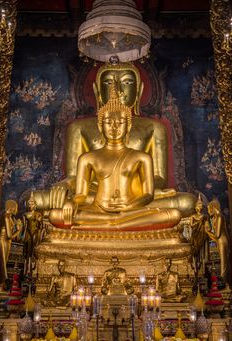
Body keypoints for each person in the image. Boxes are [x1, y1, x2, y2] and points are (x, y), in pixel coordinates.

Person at [33, 60, 196, 218]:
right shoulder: (79, 128)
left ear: (139, 90)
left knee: (187, 202)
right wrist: (65, 185)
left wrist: (133, 195)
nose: (117, 90)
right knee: (36, 201)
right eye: (109, 83)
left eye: (127, 82)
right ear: (97, 91)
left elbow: (159, 178)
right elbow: (75, 177)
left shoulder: (154, 127)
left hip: (135, 197)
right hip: (92, 198)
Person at [49, 81, 182, 230]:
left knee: (174, 214)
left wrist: (129, 206)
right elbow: (81, 195)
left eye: (120, 122)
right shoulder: (87, 158)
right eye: (108, 122)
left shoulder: (142, 157)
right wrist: (72, 202)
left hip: (131, 210)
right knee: (55, 215)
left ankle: (109, 225)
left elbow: (148, 195)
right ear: (100, 125)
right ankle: (117, 225)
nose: (114, 127)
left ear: (128, 126)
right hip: (97, 210)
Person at [0, 200, 23, 290]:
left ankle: (2, 286)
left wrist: (17, 227)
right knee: (2, 264)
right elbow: (9, 235)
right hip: (3, 241)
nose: (17, 209)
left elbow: (13, 236)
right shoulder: (6, 217)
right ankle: (1, 285)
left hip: (7, 242)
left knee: (3, 262)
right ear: (12, 207)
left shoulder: (11, 218)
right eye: (16, 207)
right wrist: (18, 230)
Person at [204, 199, 230, 284]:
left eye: (209, 209)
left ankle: (225, 283)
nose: (208, 211)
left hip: (222, 241)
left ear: (213, 208)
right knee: (222, 262)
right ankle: (223, 282)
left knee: (224, 264)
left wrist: (208, 232)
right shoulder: (215, 217)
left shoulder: (219, 217)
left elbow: (217, 235)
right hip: (219, 241)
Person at [21, 192, 43, 275]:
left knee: (32, 251)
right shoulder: (25, 215)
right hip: (27, 234)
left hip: (35, 233)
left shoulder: (38, 214)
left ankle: (32, 269)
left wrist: (39, 221)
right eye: (29, 203)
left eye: (32, 203)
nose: (30, 205)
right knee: (27, 252)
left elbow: (40, 226)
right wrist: (22, 236)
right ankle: (26, 270)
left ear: (35, 205)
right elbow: (24, 226)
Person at [189, 193, 207, 274]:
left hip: (202, 234)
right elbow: (192, 226)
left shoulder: (204, 216)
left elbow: (207, 226)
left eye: (201, 206)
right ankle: (194, 265)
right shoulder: (192, 216)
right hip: (195, 234)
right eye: (198, 206)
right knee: (195, 250)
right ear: (195, 207)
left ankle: (201, 264)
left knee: (202, 250)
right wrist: (199, 221)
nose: (199, 208)